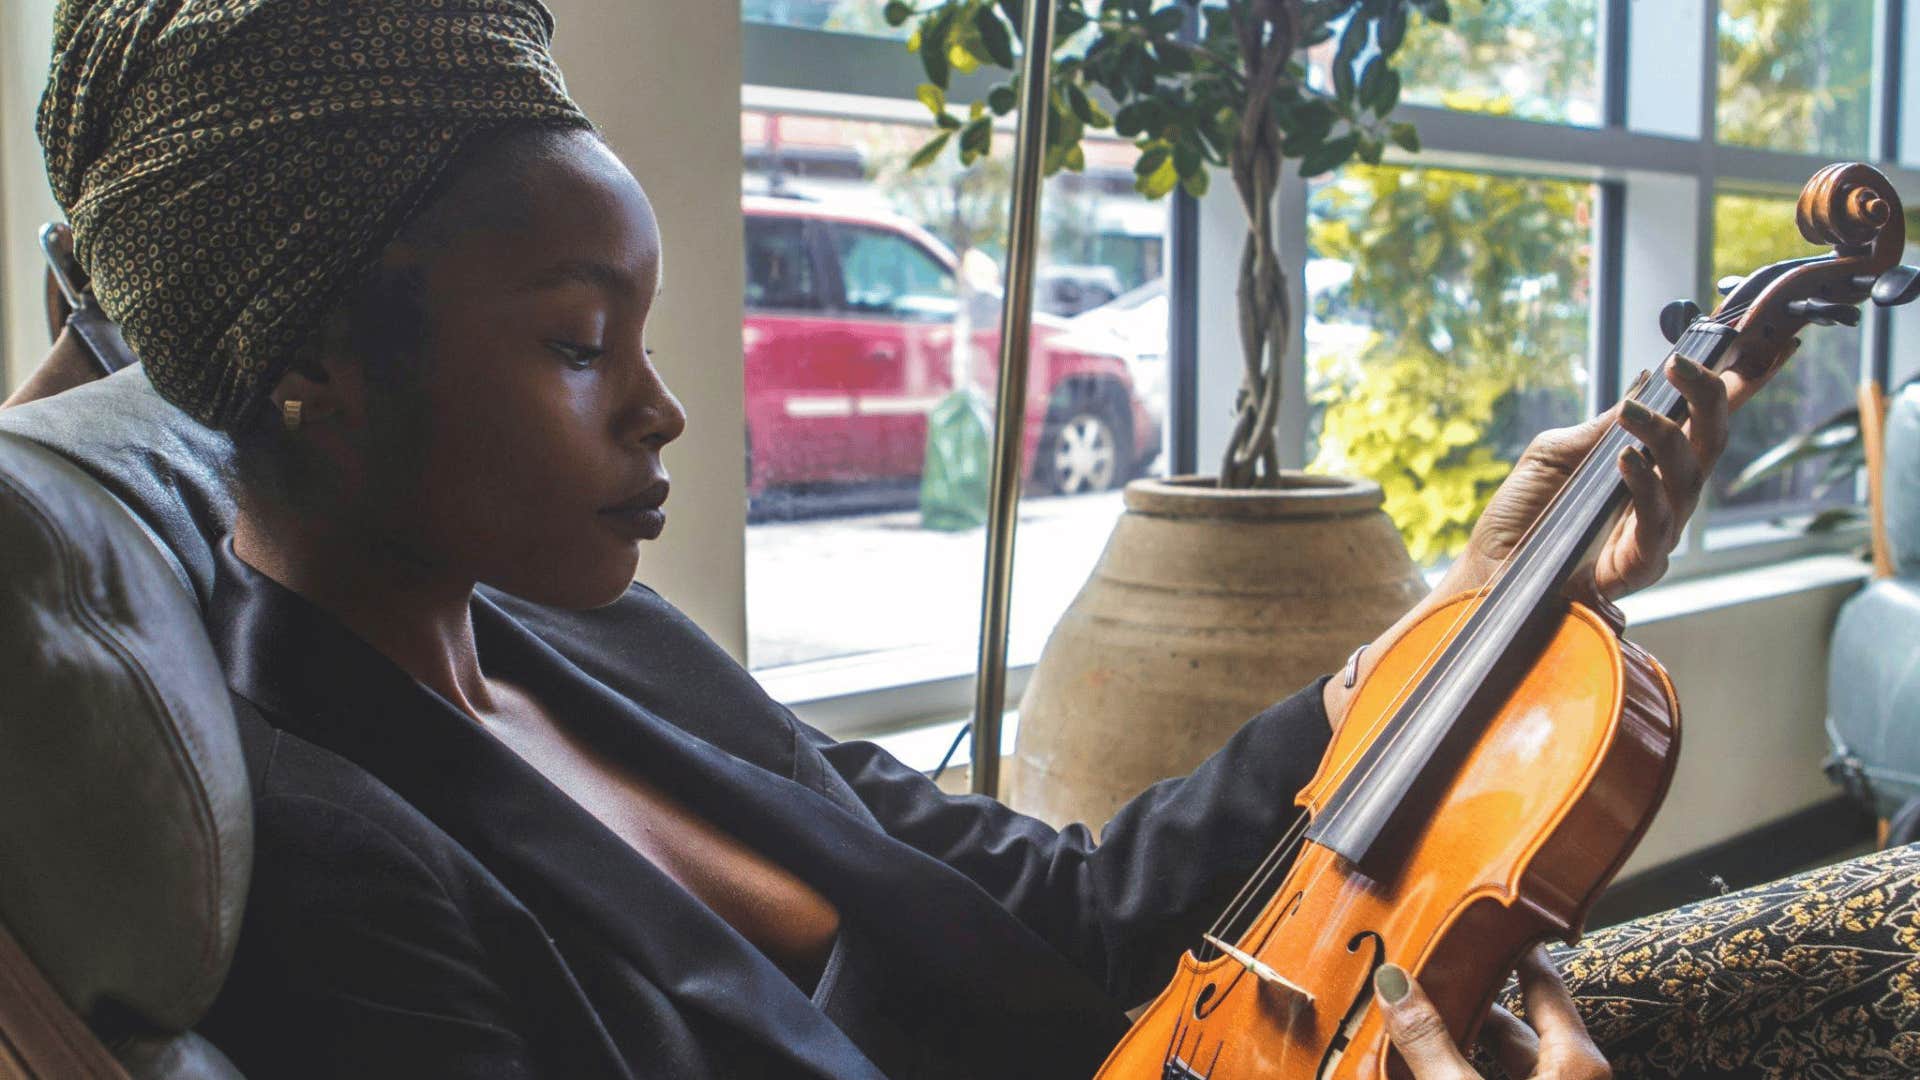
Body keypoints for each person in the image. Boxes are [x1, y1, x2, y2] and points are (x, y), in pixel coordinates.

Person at [20, 0, 1879, 1077]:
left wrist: (1461, 617)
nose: (661, 412)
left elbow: (1062, 905)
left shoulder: (590, 641)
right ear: (314, 373)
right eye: (579, 348)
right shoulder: (347, 884)